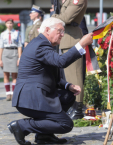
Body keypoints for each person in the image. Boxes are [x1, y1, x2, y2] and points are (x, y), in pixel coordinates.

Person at [7, 17, 93, 145]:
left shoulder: (43, 44)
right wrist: (81, 44)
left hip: (36, 95)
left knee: (68, 96)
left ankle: (44, 137)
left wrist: (68, 85)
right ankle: (22, 126)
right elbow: (61, 62)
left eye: (63, 32)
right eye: (60, 31)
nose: (62, 35)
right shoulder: (41, 45)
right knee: (65, 124)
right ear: (47, 30)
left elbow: (53, 76)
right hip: (31, 98)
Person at [52, 0, 88, 120]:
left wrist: (54, 16)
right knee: (69, 78)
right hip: (67, 40)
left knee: (75, 77)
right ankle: (73, 106)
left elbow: (66, 18)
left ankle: (77, 109)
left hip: (72, 41)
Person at [0, 18, 22, 101]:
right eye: (8, 23)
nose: (9, 24)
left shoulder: (17, 33)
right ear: (5, 24)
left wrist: (19, 58)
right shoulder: (3, 34)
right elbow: (1, 47)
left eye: (11, 23)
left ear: (13, 24)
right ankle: (8, 93)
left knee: (14, 74)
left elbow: (19, 46)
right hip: (6, 53)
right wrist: (0, 59)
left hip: (14, 52)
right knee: (6, 74)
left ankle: (14, 93)